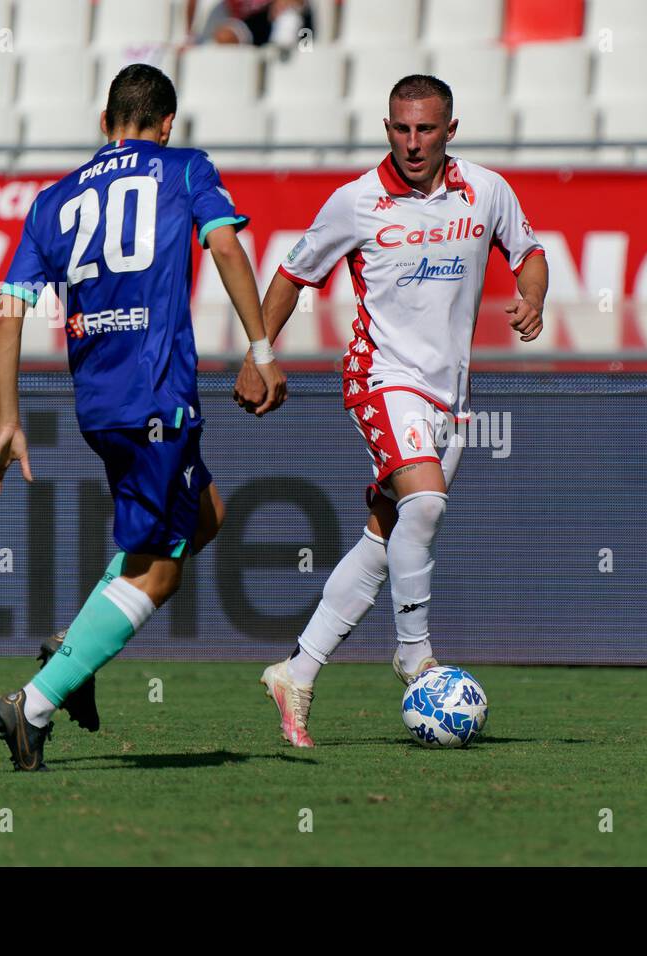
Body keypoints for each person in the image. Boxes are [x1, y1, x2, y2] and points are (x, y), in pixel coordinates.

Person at [0, 63, 285, 771]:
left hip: (100, 404)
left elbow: (8, 310)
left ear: (103, 123)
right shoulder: (183, 168)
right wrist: (262, 347)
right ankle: (35, 703)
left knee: (204, 516)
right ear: (168, 122)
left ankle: (74, 652)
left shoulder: (52, 200)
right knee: (163, 571)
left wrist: (8, 418)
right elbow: (228, 245)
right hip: (157, 399)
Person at [234, 74, 548, 748]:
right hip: (381, 377)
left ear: (449, 131)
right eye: (401, 129)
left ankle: (298, 670)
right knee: (426, 505)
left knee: (388, 538)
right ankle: (414, 655)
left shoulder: (487, 190)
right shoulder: (356, 201)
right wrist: (260, 352)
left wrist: (533, 298)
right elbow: (293, 275)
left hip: (451, 397)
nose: (412, 143)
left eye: (426, 130)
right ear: (387, 129)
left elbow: (530, 253)